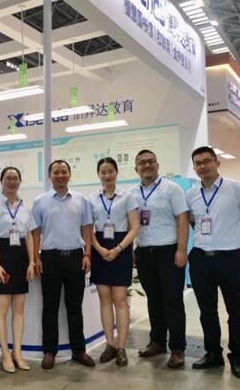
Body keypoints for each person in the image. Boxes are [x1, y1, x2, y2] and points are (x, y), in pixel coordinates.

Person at [186, 146, 240, 379]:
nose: (203, 166)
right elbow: (195, 223)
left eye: (207, 161)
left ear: (217, 162)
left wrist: (237, 245)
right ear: (194, 167)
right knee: (207, 311)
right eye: (198, 163)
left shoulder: (237, 188)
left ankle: (237, 356)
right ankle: (213, 353)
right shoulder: (191, 194)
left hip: (229, 259)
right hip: (200, 259)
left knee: (236, 309)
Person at [31, 159, 95, 370]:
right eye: (56, 172)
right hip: (50, 258)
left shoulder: (81, 200)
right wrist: (36, 258)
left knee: (74, 306)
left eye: (64, 172)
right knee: (49, 306)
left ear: (70, 174)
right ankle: (49, 351)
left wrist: (87, 254)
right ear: (50, 176)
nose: (60, 175)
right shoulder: (40, 201)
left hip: (76, 257)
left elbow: (86, 229)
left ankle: (79, 350)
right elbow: (35, 232)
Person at [131, 150, 189, 368]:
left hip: (169, 252)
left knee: (172, 301)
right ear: (136, 168)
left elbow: (182, 218)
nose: (147, 165)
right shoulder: (132, 193)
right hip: (144, 253)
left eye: (150, 162)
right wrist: (132, 250)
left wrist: (181, 249)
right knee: (153, 300)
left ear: (157, 165)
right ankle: (157, 342)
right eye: (142, 163)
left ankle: (177, 348)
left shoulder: (172, 189)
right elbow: (130, 224)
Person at [0, 167, 36, 373]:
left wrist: (31, 262)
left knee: (19, 308)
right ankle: (5, 354)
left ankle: (18, 353)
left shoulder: (25, 207)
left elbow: (29, 236)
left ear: (20, 181)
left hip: (21, 257)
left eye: (15, 178)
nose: (12, 182)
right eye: (8, 178)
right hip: (2, 256)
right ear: (1, 181)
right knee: (2, 309)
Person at [90, 157, 140, 367]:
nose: (107, 175)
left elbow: (135, 227)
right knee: (104, 300)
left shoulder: (127, 196)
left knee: (120, 300)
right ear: (98, 175)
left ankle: (121, 347)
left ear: (117, 173)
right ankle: (109, 344)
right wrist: (98, 248)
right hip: (100, 248)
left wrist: (119, 249)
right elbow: (88, 228)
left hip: (121, 247)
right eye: (103, 172)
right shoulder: (92, 198)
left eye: (110, 171)